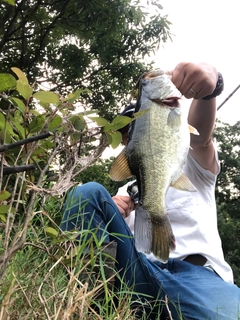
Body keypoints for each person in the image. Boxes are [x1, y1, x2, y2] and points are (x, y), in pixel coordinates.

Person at [60, 62, 240, 320]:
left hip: (198, 278)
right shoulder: (122, 192)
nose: (133, 133)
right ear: (126, 142)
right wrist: (109, 214)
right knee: (86, 194)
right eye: (128, 131)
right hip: (138, 274)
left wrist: (210, 84)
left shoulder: (194, 165)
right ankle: (88, 304)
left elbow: (201, 138)